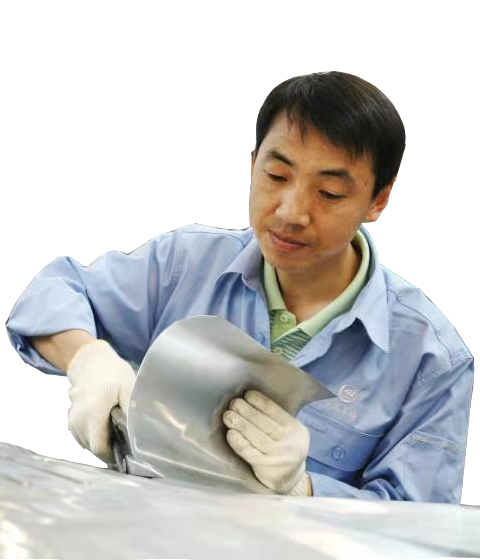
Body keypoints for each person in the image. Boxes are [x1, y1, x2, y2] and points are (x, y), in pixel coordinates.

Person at [5, 71, 474, 502]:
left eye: (329, 193)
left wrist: (305, 489)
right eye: (276, 176)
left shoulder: (429, 358)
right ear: (252, 165)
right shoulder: (184, 265)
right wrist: (86, 358)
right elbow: (55, 292)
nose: (291, 211)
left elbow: (420, 519)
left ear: (378, 200)